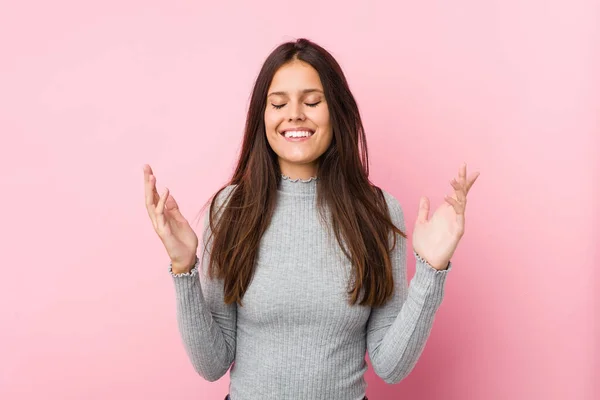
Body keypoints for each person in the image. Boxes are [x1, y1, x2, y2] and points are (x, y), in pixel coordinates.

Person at [143, 38, 479, 400]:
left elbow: (391, 366)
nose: (295, 114)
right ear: (263, 116)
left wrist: (431, 269)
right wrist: (183, 267)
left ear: (336, 110)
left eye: (313, 101)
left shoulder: (378, 212)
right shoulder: (230, 209)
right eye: (278, 103)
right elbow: (212, 364)